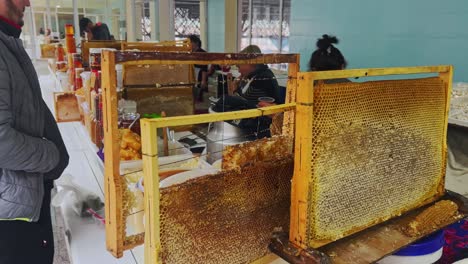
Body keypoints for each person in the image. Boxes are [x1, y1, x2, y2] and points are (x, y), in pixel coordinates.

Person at [0, 1, 69, 263]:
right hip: (9, 218)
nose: (28, 2)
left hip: (19, 202)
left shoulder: (7, 43)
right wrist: (53, 156)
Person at [189, 35, 209, 102]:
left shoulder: (202, 53)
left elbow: (204, 68)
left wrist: (203, 80)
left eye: (190, 42)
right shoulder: (190, 53)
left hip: (199, 76)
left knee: (198, 97)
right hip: (192, 75)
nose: (188, 44)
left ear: (196, 43)